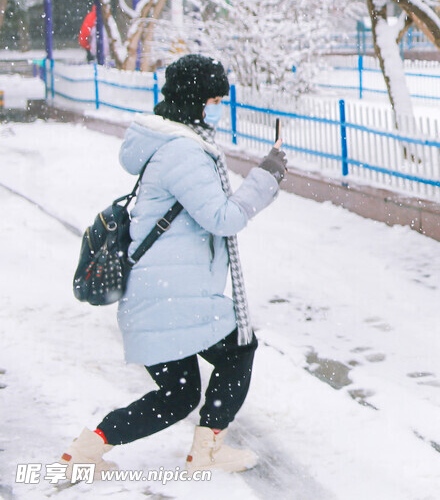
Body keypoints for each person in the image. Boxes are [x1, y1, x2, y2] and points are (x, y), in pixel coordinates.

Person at [59, 54, 289, 477]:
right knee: (239, 349)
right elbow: (223, 217)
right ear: (197, 101)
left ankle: (87, 449)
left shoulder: (170, 144)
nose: (217, 108)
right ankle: (208, 450)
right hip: (168, 293)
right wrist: (268, 176)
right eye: (214, 100)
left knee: (178, 395)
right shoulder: (183, 150)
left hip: (158, 292)